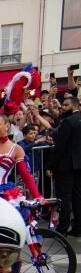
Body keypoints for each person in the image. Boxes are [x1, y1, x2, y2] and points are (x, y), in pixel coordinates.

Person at [48, 93, 81, 235]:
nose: (62, 108)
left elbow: (60, 146)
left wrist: (50, 165)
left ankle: (62, 229)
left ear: (74, 105)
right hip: (78, 165)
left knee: (65, 198)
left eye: (66, 105)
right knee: (78, 197)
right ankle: (78, 228)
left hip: (66, 166)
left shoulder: (68, 121)